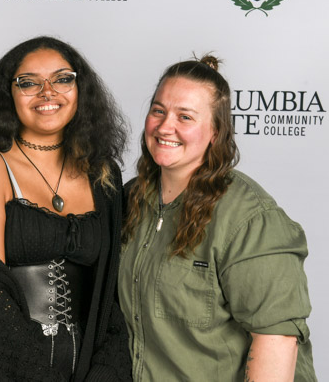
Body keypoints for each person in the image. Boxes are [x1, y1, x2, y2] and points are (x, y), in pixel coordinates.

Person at [0, 36, 132, 381]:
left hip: (83, 366)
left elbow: (109, 293)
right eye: (29, 83)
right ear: (9, 94)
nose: (48, 93)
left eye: (62, 79)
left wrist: (105, 368)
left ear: (80, 89)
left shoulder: (103, 173)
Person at [119, 55, 317, 381]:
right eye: (158, 111)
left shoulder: (249, 219)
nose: (165, 126)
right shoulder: (131, 200)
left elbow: (276, 340)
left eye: (185, 117)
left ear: (215, 131)